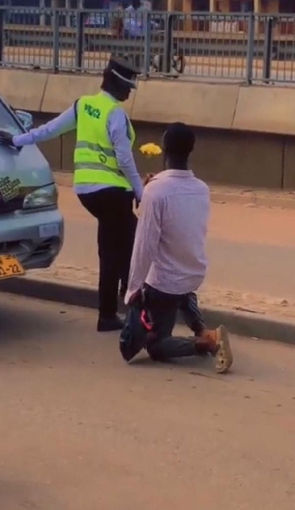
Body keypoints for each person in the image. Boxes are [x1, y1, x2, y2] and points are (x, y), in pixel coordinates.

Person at [0, 57, 143, 332]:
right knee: (131, 247)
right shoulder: (115, 113)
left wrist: (17, 140)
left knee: (111, 249)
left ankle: (107, 315)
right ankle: (134, 311)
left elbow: (50, 129)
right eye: (127, 87)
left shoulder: (83, 105)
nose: (129, 93)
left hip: (87, 191)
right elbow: (124, 158)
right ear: (115, 83)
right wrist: (141, 191)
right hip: (113, 191)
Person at [125, 122, 233, 373]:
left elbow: (145, 245)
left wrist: (133, 287)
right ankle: (202, 328)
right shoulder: (201, 189)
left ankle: (206, 342)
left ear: (164, 149)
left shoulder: (156, 191)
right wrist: (152, 187)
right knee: (183, 290)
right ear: (191, 150)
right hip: (192, 273)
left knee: (156, 346)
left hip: (165, 284)